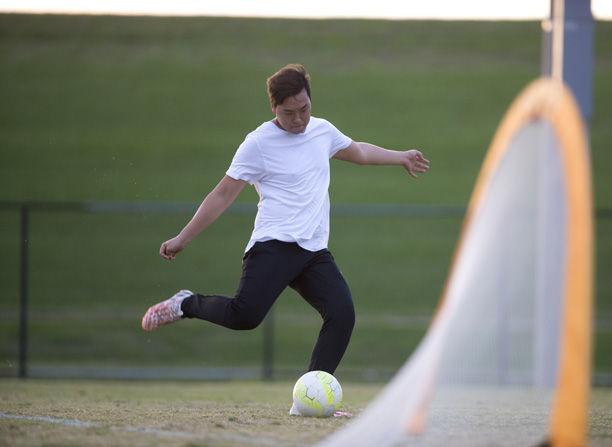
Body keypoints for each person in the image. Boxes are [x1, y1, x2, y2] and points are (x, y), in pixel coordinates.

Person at [141, 63, 429, 395]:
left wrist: (401, 156)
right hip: (273, 246)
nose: (299, 119)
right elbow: (222, 195)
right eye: (289, 112)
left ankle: (312, 395)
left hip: (313, 252)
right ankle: (185, 303)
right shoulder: (258, 143)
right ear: (274, 108)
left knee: (342, 314)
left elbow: (360, 151)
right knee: (245, 316)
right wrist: (182, 238)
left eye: (304, 109)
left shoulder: (322, 131)